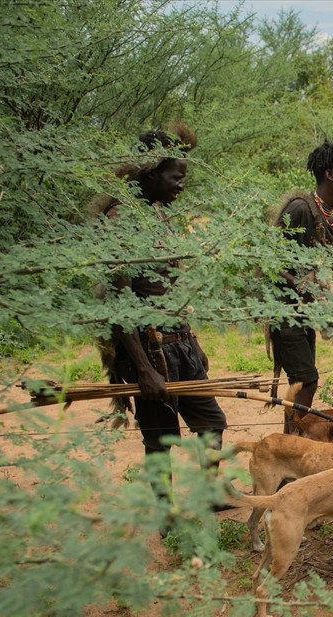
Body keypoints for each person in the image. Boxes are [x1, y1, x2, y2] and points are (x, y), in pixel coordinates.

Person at [102, 124, 228, 507]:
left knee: (211, 424)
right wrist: (142, 368)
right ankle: (165, 512)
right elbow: (117, 303)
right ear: (152, 172)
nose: (181, 185)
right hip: (149, 348)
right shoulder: (120, 220)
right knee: (159, 438)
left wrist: (192, 341)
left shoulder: (159, 217)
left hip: (181, 343)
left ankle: (209, 495)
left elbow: (169, 291)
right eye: (176, 177)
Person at [270, 138, 333, 431]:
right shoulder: (299, 210)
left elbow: (332, 267)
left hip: (309, 314)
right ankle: (290, 444)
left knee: (303, 380)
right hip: (285, 312)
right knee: (305, 381)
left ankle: (291, 444)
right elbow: (272, 264)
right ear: (330, 174)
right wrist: (308, 288)